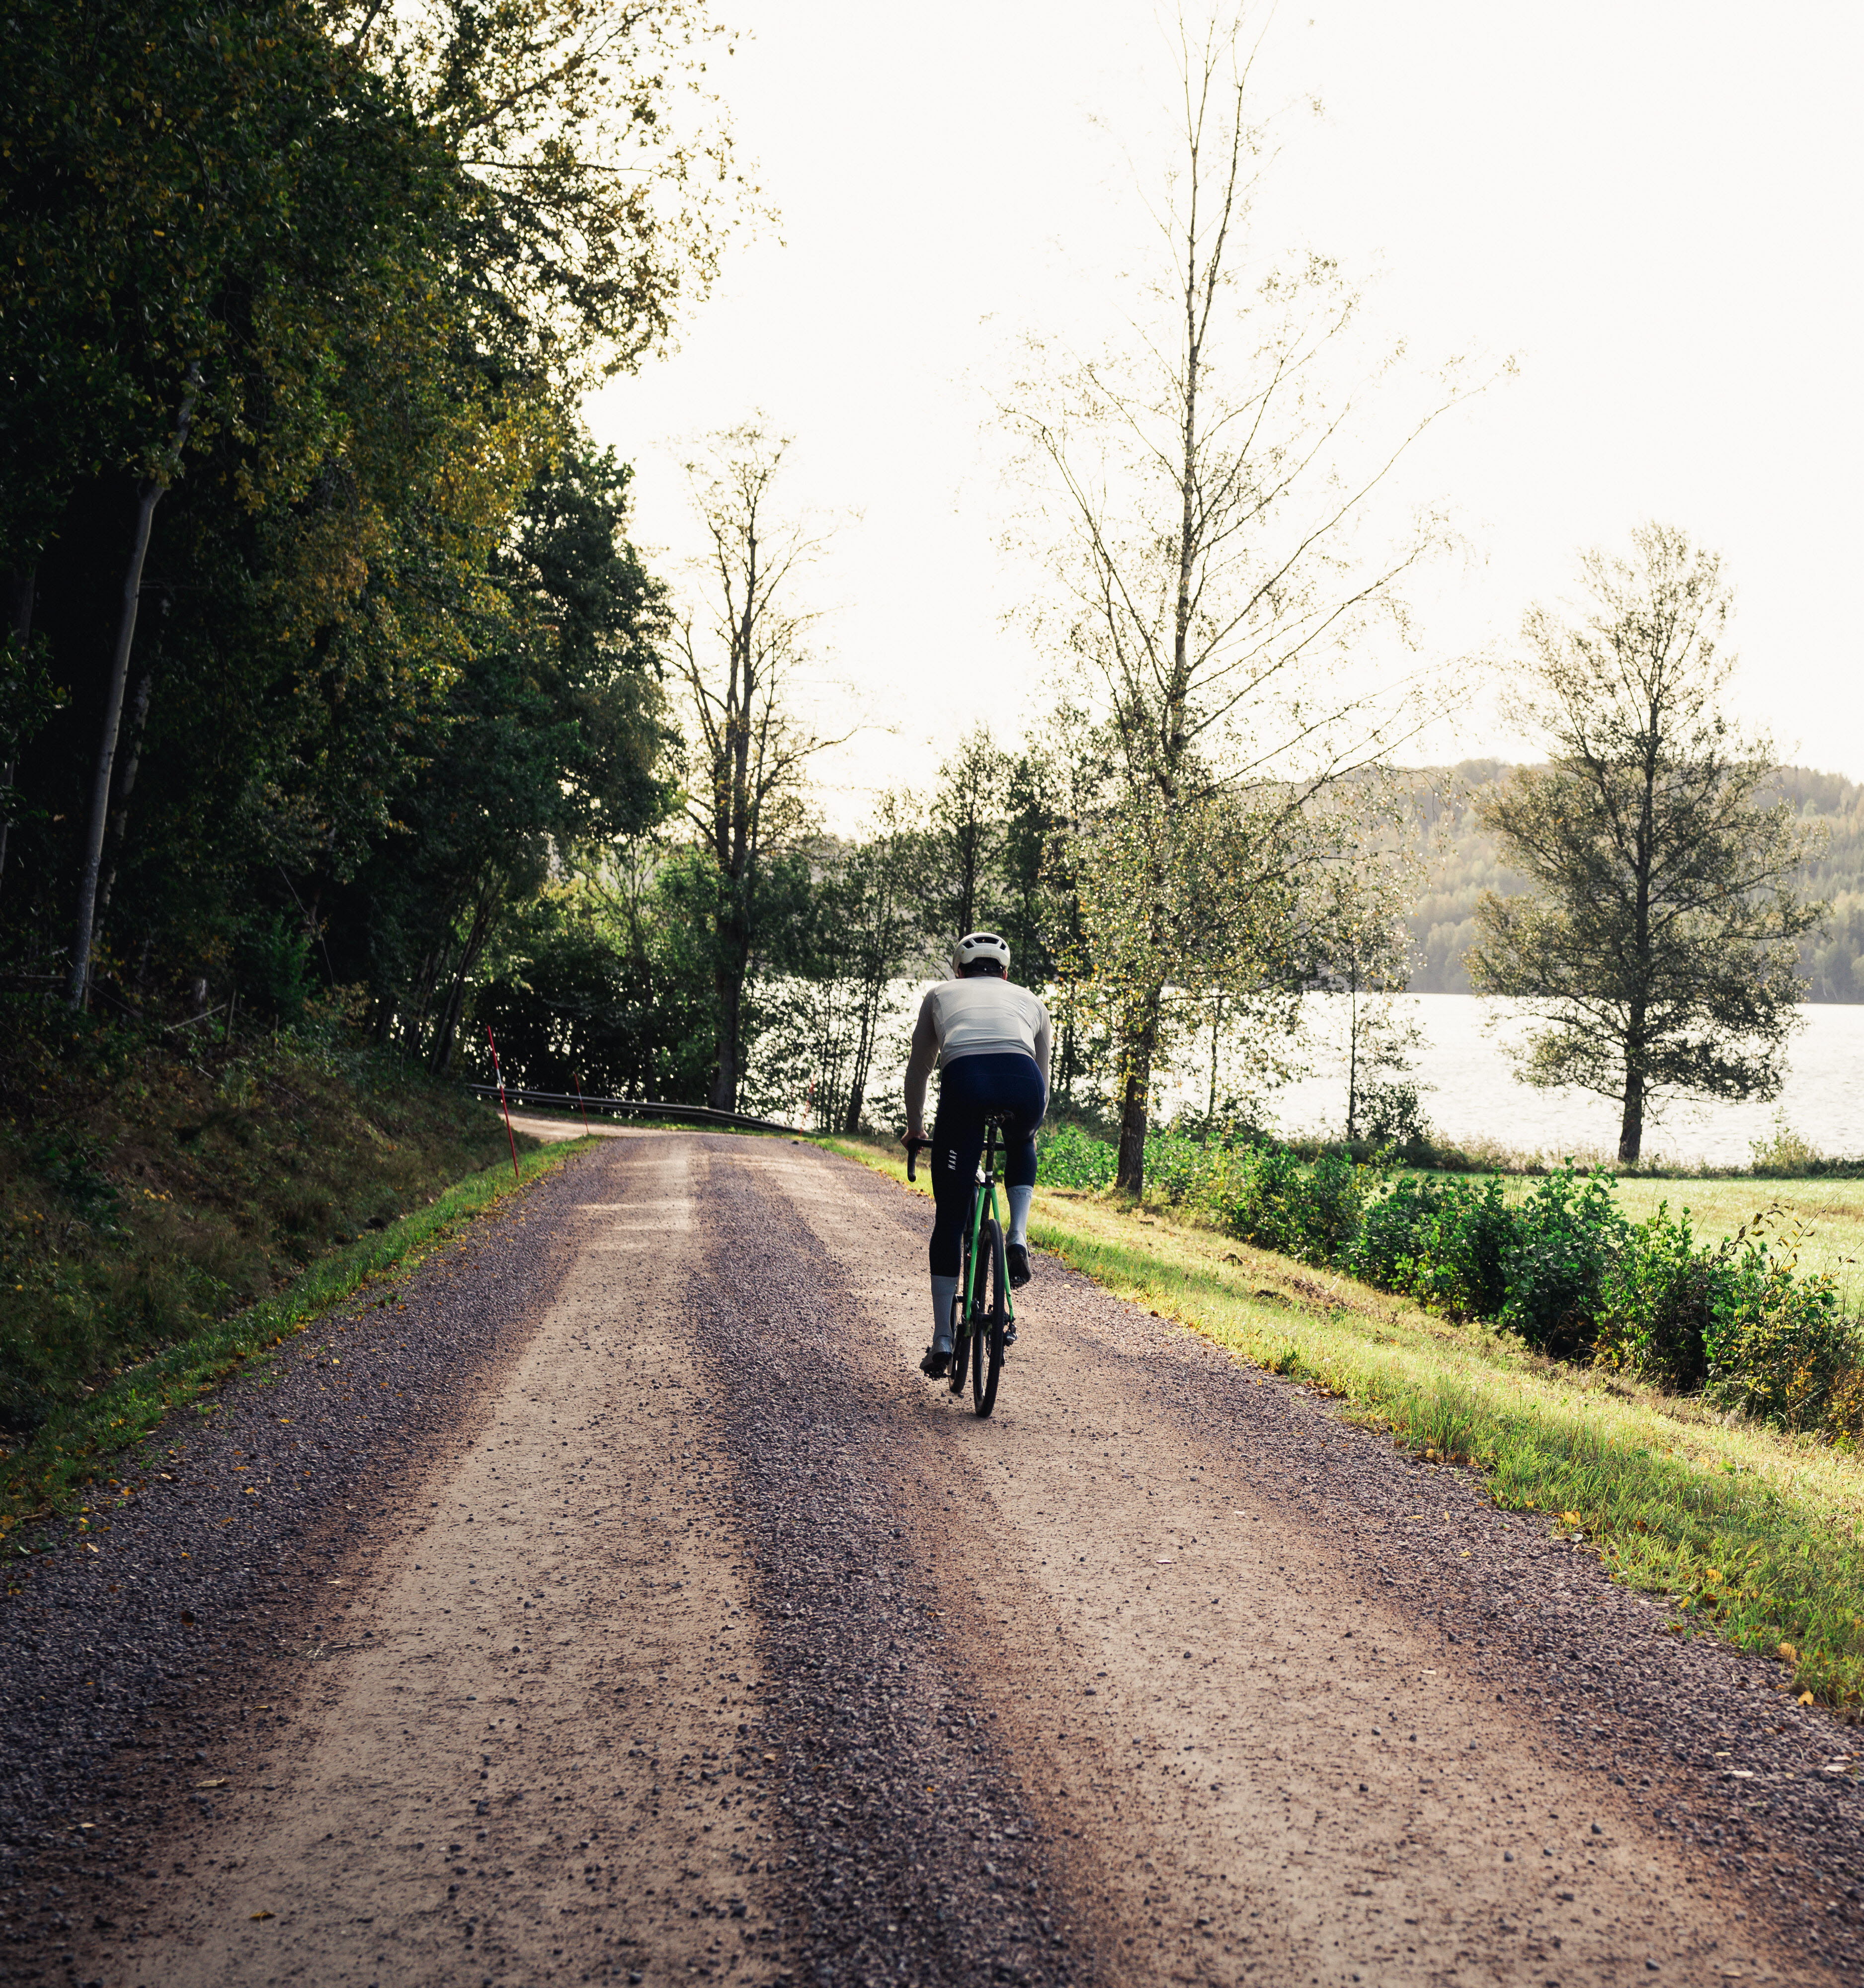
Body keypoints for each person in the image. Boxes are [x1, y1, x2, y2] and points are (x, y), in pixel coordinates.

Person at [901, 930, 1052, 1378]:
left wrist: (915, 1127)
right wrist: (1027, 1131)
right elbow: (1043, 1082)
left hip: (965, 1082)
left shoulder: (939, 994)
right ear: (1005, 973)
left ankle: (942, 1339)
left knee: (949, 1220)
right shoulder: (1032, 1001)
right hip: (1023, 1082)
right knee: (1023, 1142)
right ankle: (1018, 1235)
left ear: (958, 971)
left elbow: (919, 1069)